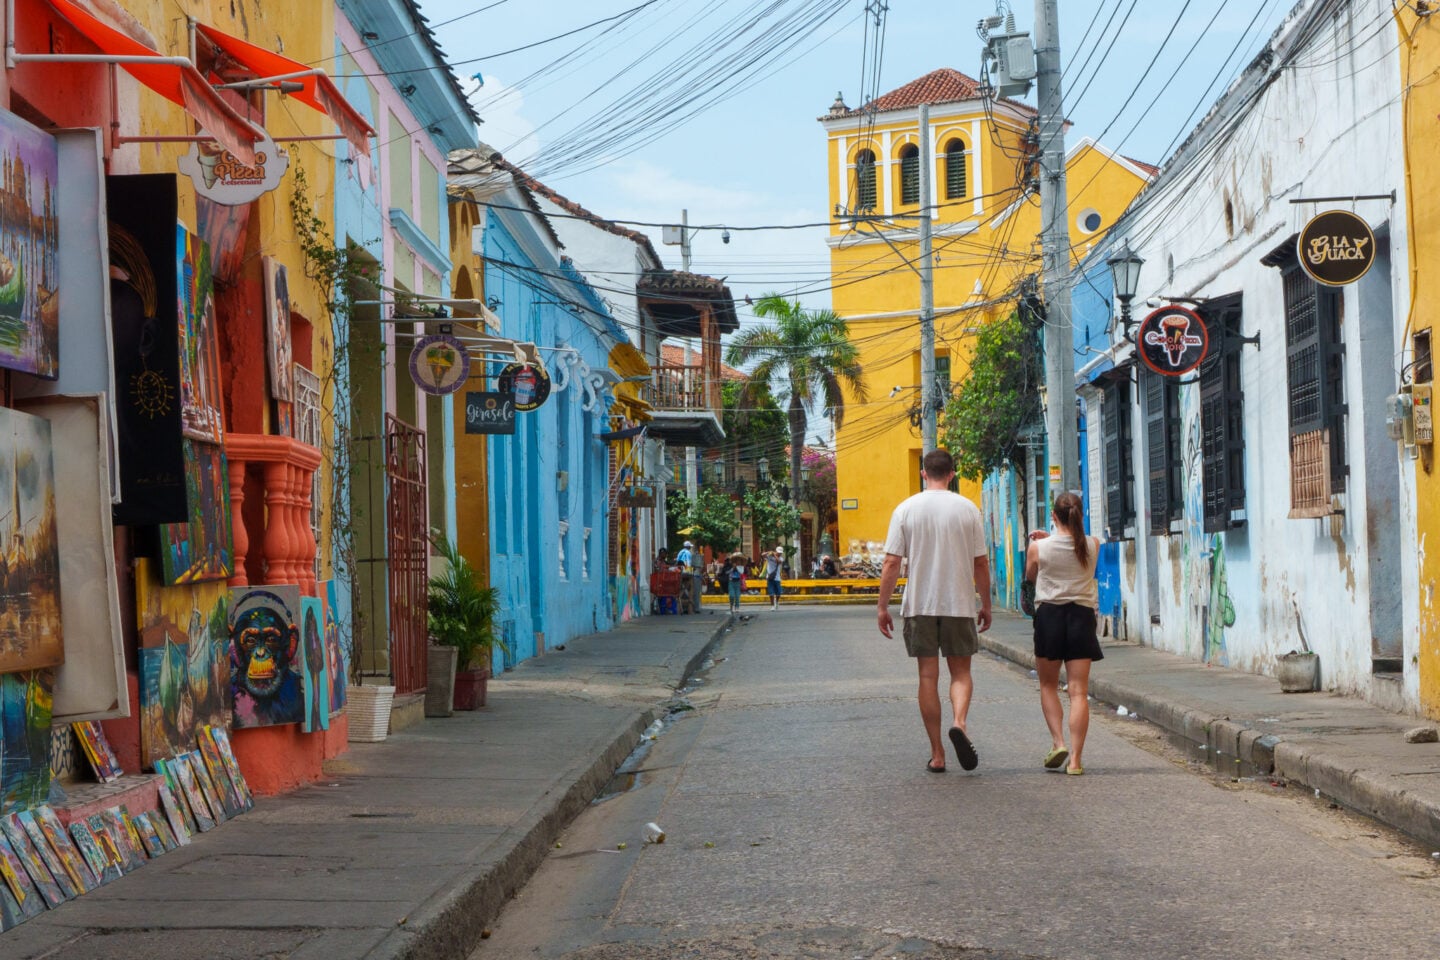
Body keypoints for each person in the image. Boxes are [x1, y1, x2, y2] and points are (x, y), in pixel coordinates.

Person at [877, 449, 992, 774]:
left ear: (924, 474)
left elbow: (891, 562)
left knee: (928, 676)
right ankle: (959, 722)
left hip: (920, 605)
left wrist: (882, 606)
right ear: (953, 474)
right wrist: (985, 603)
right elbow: (980, 562)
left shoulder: (906, 509)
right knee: (961, 674)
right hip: (958, 603)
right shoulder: (968, 509)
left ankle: (938, 754)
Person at [1025, 491, 1102, 776]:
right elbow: (1075, 549)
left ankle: (1058, 742)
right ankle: (1076, 761)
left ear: (1054, 516)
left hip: (1050, 617)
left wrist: (1045, 540)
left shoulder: (1038, 548)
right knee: (1078, 691)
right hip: (1082, 618)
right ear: (1080, 514)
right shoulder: (1094, 544)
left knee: (1048, 686)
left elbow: (1031, 576)